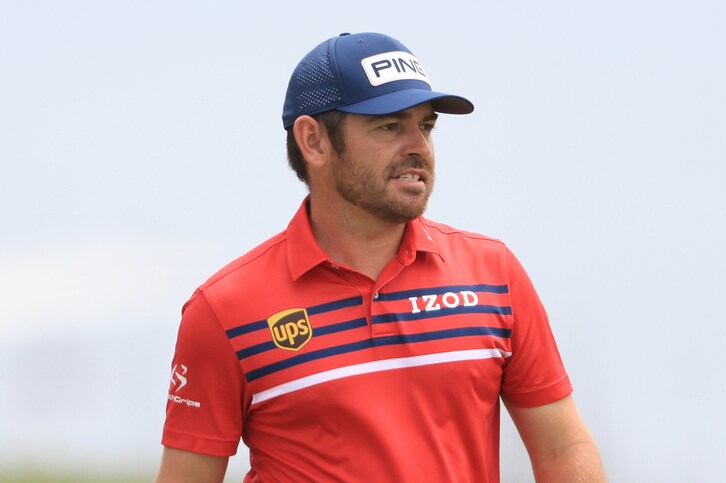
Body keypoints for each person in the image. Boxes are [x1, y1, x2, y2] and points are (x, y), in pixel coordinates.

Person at [156, 32, 605, 482]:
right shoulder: (223, 310)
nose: (419, 147)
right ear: (313, 140)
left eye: (426, 126)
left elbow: (564, 448)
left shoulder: (493, 275)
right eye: (389, 126)